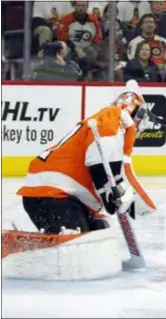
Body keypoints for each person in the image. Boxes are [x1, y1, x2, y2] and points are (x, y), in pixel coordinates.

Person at [16, 82, 156, 235]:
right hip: (52, 194)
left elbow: (112, 170)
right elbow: (101, 164)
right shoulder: (113, 116)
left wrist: (128, 199)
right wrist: (141, 205)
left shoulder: (111, 123)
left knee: (99, 230)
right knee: (76, 243)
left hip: (62, 196)